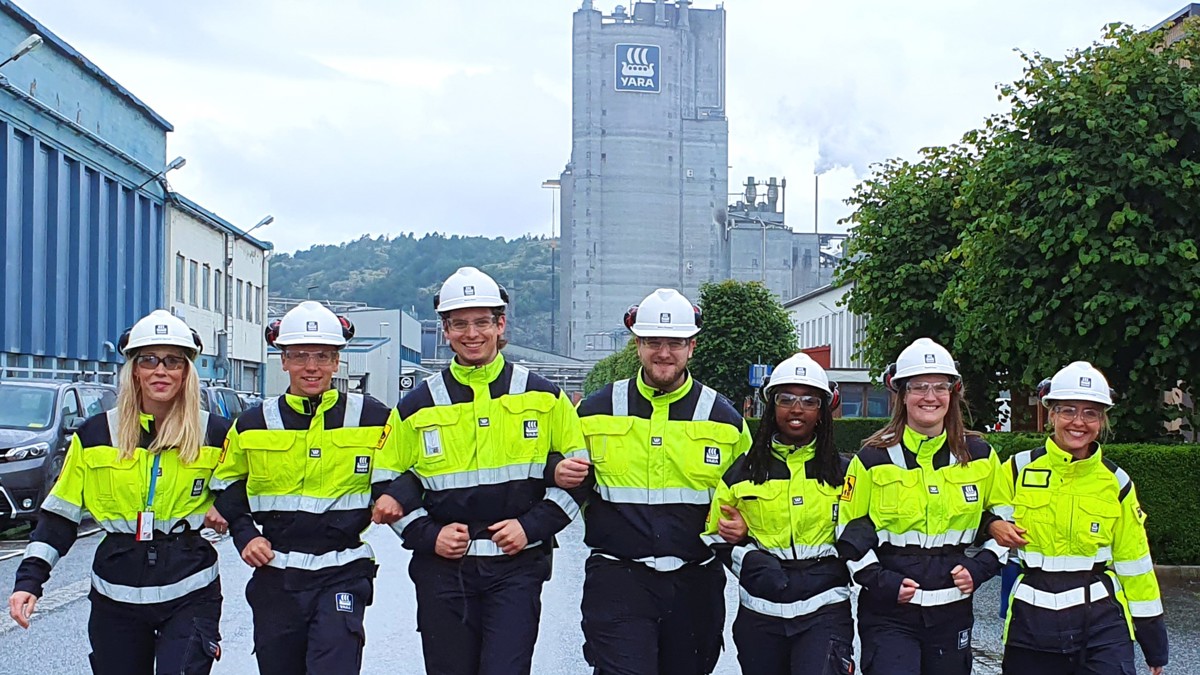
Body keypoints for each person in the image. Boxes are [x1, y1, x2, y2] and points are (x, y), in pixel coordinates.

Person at [8, 310, 230, 674]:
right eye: (149, 360)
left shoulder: (217, 434)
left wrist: (228, 504)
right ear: (135, 370)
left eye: (173, 360)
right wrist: (29, 580)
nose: (161, 370)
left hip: (191, 591)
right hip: (116, 593)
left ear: (187, 372)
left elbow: (253, 490)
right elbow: (59, 517)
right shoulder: (95, 436)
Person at [389, 266, 586, 675]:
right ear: (445, 330)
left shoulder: (545, 397)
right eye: (459, 324)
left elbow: (580, 476)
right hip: (442, 572)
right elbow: (385, 480)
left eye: (482, 322)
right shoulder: (417, 405)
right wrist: (428, 535)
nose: (471, 333)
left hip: (517, 569)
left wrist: (531, 528)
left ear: (501, 324)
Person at [209, 300, 405, 675]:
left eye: (322, 356)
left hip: (342, 570)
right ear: (283, 360)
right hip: (276, 576)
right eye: (299, 356)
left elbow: (402, 473)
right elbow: (227, 485)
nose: (311, 367)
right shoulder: (253, 424)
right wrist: (246, 535)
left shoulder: (375, 418)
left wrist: (395, 498)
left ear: (337, 360)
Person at [572, 288, 752, 675]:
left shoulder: (725, 419)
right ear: (637, 343)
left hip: (695, 583)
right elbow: (563, 482)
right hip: (618, 579)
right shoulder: (594, 410)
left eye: (675, 342)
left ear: (693, 346)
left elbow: (754, 496)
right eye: (653, 341)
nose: (664, 352)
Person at [836, 337, 1010, 675]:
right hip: (889, 614)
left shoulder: (981, 456)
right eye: (918, 387)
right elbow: (848, 531)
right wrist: (880, 581)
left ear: (953, 392)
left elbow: (1006, 520)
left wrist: (982, 567)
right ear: (901, 393)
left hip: (952, 613)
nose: (930, 397)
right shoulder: (872, 459)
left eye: (940, 387)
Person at [998, 362, 1168, 675]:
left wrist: (1153, 642)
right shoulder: (1016, 470)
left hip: (1102, 627)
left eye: (1091, 412)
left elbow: (1135, 564)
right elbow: (981, 518)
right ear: (1051, 414)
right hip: (1031, 625)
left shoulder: (1116, 482)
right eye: (1068, 411)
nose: (1079, 422)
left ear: (1102, 420)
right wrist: (991, 525)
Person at [702, 352, 855, 675]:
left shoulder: (846, 473)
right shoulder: (743, 471)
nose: (796, 409)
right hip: (761, 615)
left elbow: (867, 528)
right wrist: (748, 559)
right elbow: (714, 532)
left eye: (809, 401)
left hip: (824, 612)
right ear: (772, 406)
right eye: (786, 399)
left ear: (823, 411)